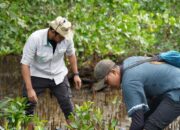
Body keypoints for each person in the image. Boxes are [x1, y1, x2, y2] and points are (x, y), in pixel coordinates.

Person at [21, 16, 82, 129]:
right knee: (27, 109)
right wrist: (29, 89)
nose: (65, 39)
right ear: (53, 32)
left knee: (68, 107)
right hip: (36, 75)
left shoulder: (67, 38)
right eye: (62, 37)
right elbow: (25, 64)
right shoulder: (35, 38)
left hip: (58, 74)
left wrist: (76, 74)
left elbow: (71, 55)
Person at [94, 57, 180, 130]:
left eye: (106, 82)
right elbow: (141, 115)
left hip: (176, 90)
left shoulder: (128, 82)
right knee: (145, 117)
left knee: (150, 126)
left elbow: (138, 123)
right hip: (170, 87)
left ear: (113, 72)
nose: (108, 86)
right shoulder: (129, 61)